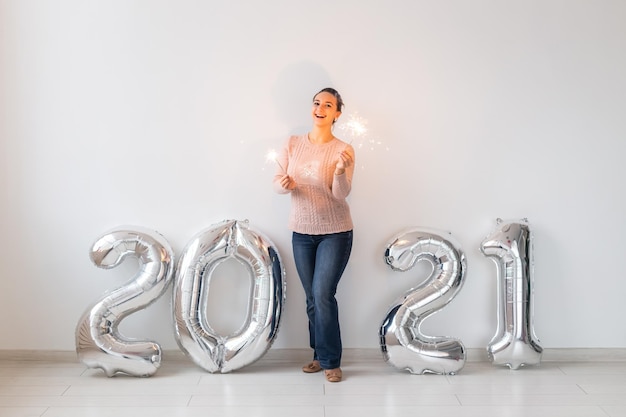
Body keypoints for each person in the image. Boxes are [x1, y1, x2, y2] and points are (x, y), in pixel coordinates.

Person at [273, 87, 355, 383]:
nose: (320, 108)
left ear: (337, 114)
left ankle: (332, 361)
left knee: (323, 294)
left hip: (335, 232)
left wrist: (341, 172)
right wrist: (284, 184)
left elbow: (340, 194)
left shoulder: (343, 149)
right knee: (311, 298)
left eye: (328, 104)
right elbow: (277, 181)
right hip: (301, 231)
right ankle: (319, 356)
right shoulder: (293, 143)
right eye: (317, 103)